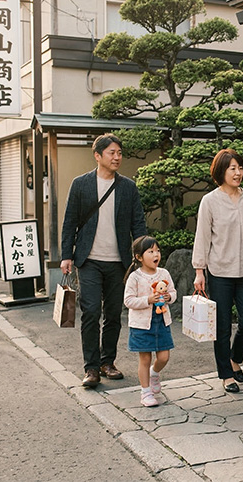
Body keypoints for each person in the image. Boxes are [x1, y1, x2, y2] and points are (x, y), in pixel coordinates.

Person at [61, 133, 147, 388]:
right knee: (90, 312)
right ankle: (91, 367)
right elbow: (69, 222)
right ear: (97, 155)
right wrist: (67, 255)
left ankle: (107, 361)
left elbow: (138, 222)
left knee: (112, 313)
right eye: (112, 153)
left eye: (119, 152)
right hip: (88, 259)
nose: (117, 157)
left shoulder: (128, 187)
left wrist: (143, 254)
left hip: (119, 261)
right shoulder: (81, 184)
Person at [192, 149, 243, 393]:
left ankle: (234, 358)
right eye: (232, 168)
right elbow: (203, 237)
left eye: (240, 168)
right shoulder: (210, 201)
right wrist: (199, 270)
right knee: (222, 326)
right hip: (220, 271)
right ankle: (226, 375)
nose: (238, 173)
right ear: (221, 171)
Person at [124, 236, 176, 407]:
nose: (156, 254)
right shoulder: (135, 277)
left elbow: (173, 292)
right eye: (151, 251)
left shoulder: (164, 273)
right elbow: (128, 301)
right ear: (139, 257)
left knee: (164, 356)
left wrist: (169, 297)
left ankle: (154, 374)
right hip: (141, 324)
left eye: (158, 251)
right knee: (144, 359)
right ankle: (145, 392)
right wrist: (148, 300)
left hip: (161, 321)